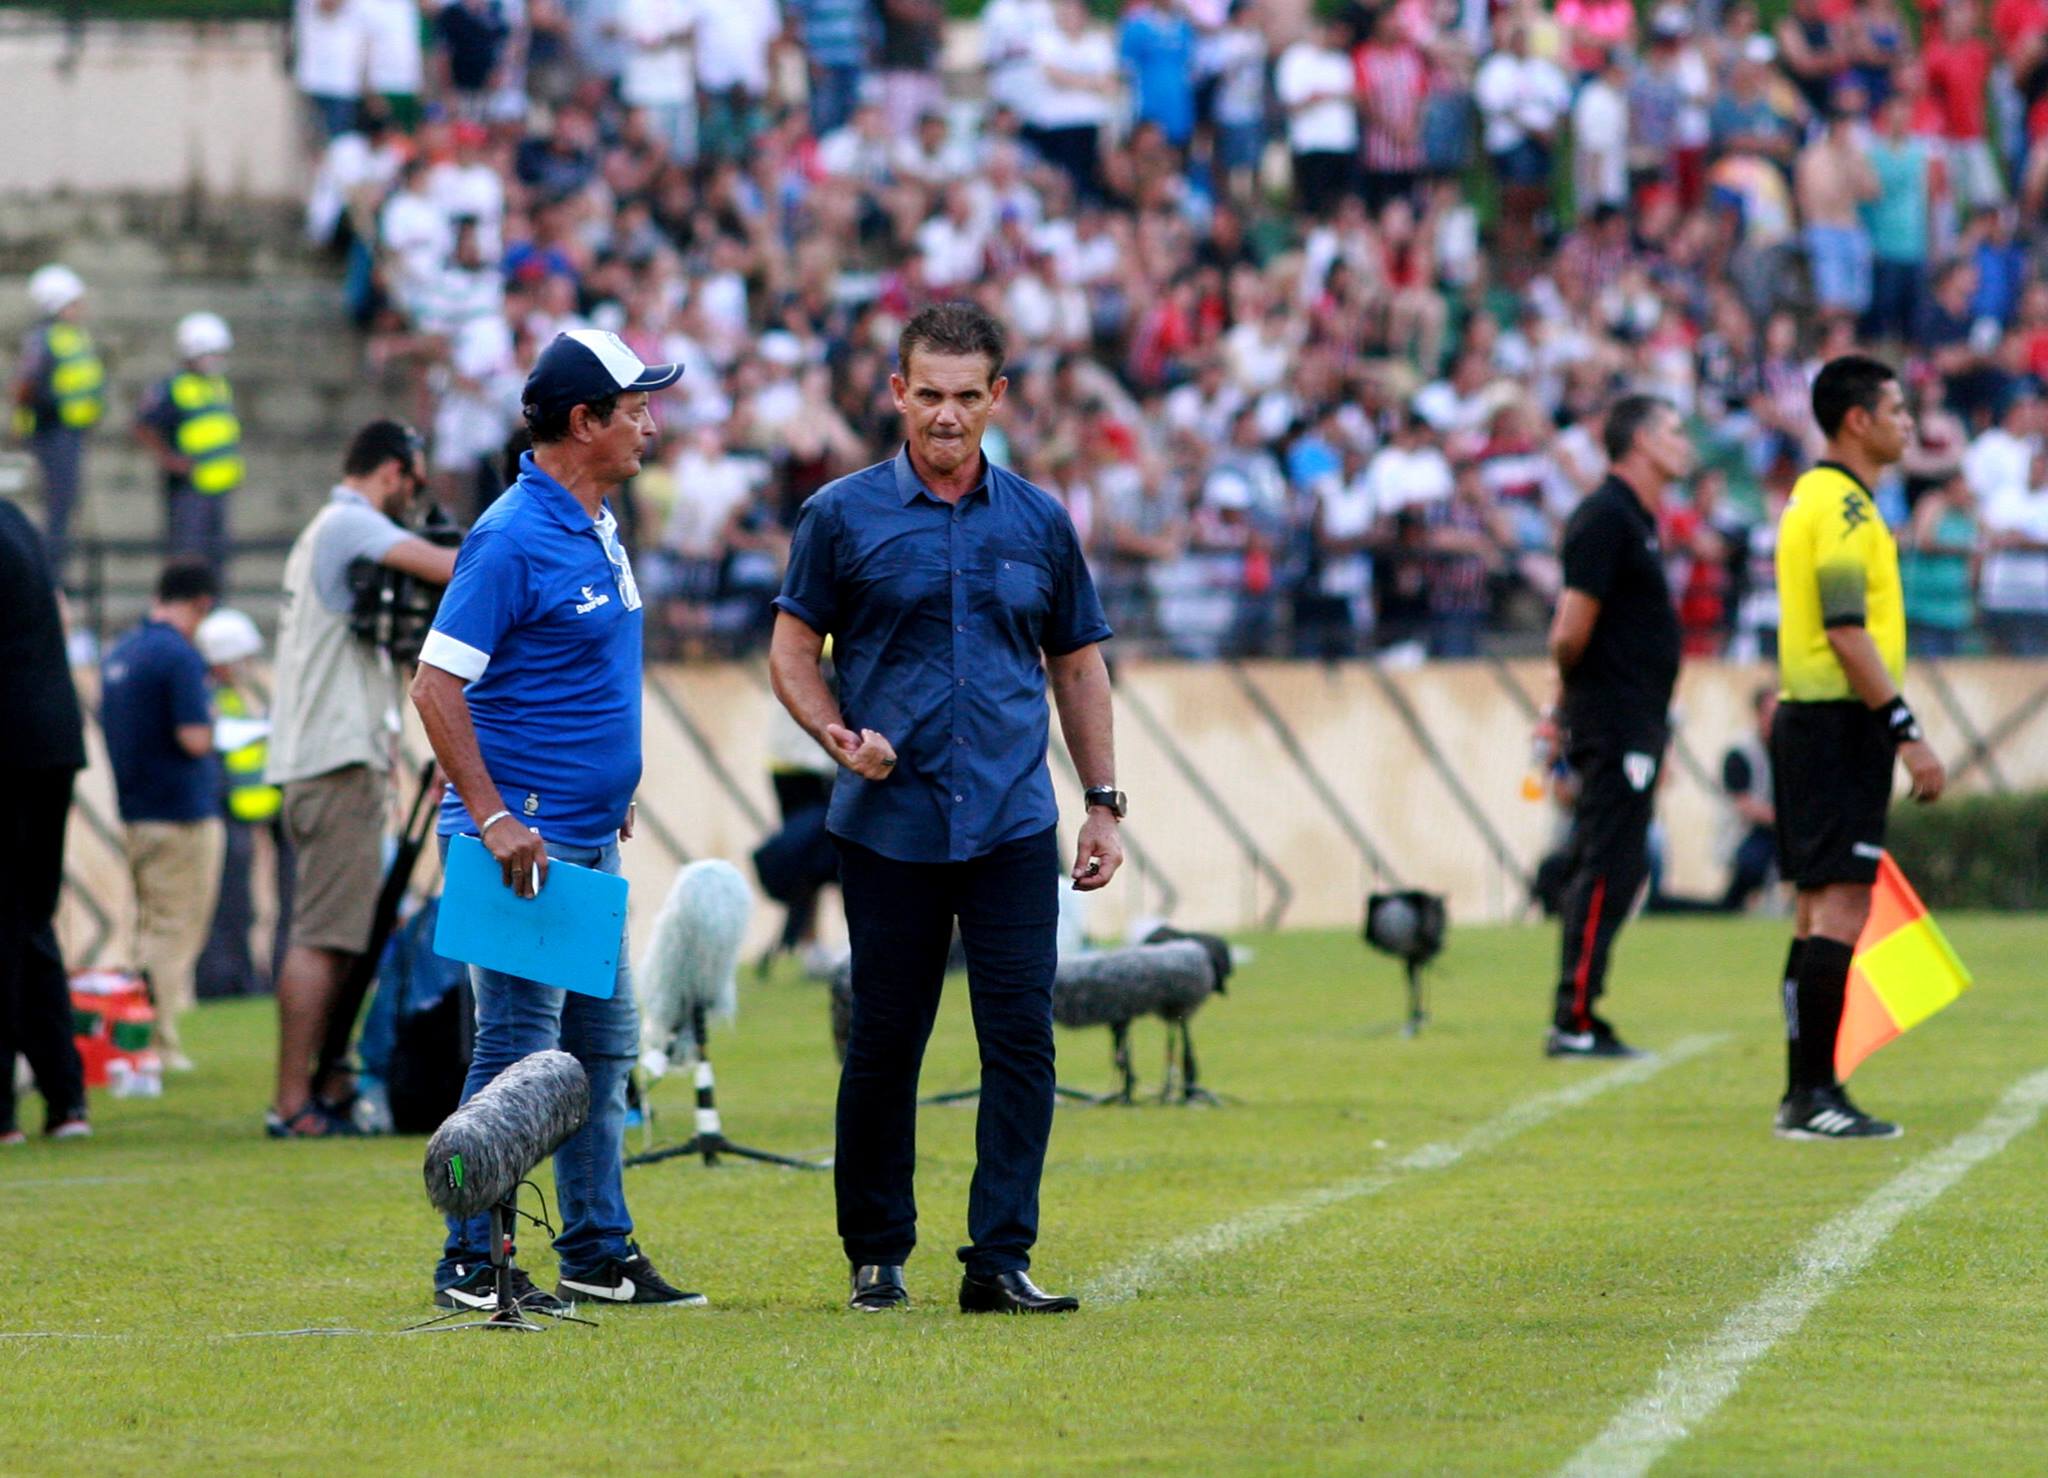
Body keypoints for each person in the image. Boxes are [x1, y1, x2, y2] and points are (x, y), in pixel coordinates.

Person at [769, 301, 1124, 1316]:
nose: (946, 415)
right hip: (890, 823)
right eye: (928, 393)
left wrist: (1102, 803)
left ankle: (999, 1258)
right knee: (886, 1041)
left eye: (967, 396)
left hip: (1012, 819)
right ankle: (876, 1254)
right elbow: (791, 651)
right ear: (897, 392)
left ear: (997, 397)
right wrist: (836, 734)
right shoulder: (838, 516)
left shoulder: (1040, 521)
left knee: (1021, 1040)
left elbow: (1077, 665)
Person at [412, 329, 702, 1313]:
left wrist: (608, 786)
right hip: (523, 846)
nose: (650, 425)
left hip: (579, 837)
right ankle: (469, 1258)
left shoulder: (593, 520)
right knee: (517, 1052)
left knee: (600, 1047)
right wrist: (492, 815)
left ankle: (595, 1249)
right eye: (636, 408)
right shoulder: (511, 536)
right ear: (585, 421)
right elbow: (435, 683)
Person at [1770, 355, 1946, 1140]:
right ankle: (1813, 1094)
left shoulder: (1816, 496)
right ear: (1858, 420)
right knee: (1840, 905)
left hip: (1810, 723)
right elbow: (1846, 631)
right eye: (1897, 409)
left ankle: (1805, 1091)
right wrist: (1906, 733)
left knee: (1817, 910)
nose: (1909, 423)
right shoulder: (1843, 508)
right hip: (1839, 726)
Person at [264, 421, 457, 1138]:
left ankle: (328, 1079)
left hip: (329, 760)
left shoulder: (330, 530)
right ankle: (292, 1102)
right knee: (326, 937)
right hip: (334, 763)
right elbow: (446, 566)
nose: (415, 496)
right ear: (392, 470)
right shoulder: (348, 523)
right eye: (415, 479)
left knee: (343, 933)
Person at [1540, 395, 1690, 1058]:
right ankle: (1572, 1018)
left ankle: (1581, 1012)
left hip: (1635, 718)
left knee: (1621, 866)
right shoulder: (1605, 516)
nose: (1685, 444)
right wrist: (1568, 707)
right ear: (1642, 441)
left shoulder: (1636, 519)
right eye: (1674, 432)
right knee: (1608, 863)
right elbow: (1568, 633)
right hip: (1614, 718)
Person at [99, 561, 223, 1071]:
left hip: (131, 811)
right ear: (202, 604)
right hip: (180, 814)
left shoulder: (120, 652)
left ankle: (130, 1035)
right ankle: (152, 1041)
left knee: (142, 928)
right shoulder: (180, 656)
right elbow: (194, 738)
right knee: (173, 931)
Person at [0, 489, 91, 1144]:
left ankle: (3, 1111)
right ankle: (65, 1099)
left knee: (8, 924)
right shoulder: (15, 519)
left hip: (8, 745)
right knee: (31, 921)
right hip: (51, 742)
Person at [193, 607, 289, 1002]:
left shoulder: (230, 696)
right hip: (227, 812)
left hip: (249, 813)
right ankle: (225, 981)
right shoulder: (209, 696)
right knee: (230, 905)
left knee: (243, 905)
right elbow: (224, 739)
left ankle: (244, 977)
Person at [10, 264, 105, 577]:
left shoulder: (73, 337)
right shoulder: (44, 339)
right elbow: (25, 385)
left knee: (65, 506)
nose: (80, 308)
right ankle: (50, 574)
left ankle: (55, 571)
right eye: (74, 302)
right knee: (57, 505)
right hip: (52, 432)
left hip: (71, 431)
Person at [134, 312, 243, 574]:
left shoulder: (218, 385)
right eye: (213, 353)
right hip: (190, 488)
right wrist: (169, 459)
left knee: (217, 559)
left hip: (220, 485)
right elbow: (144, 426)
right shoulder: (172, 388)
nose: (218, 360)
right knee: (188, 557)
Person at [1719, 686, 1779, 912]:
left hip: (1781, 832)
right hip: (1747, 833)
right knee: (1752, 862)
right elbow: (1744, 805)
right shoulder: (1741, 753)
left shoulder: (1791, 750)